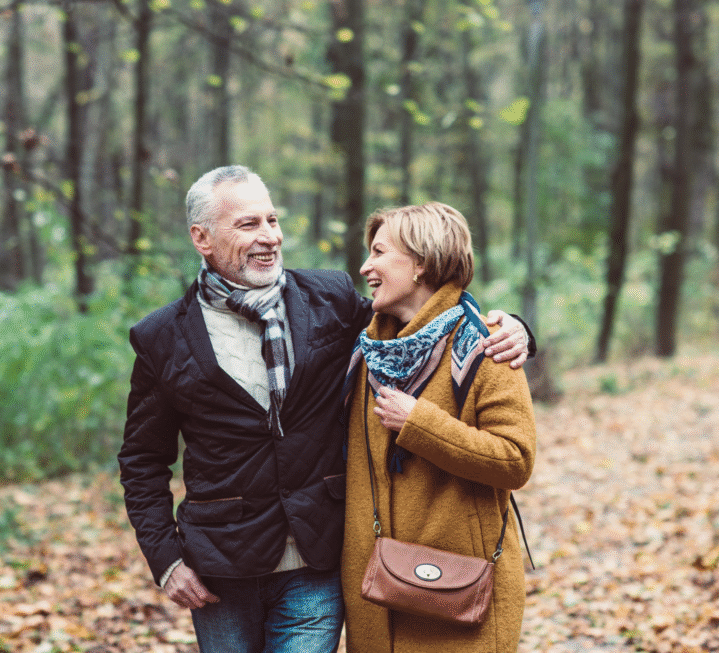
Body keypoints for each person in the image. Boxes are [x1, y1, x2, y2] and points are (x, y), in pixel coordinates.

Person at [118, 166, 533, 653]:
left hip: (318, 562)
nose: (270, 237)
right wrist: (166, 558)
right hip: (220, 569)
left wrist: (514, 327)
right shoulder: (161, 336)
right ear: (202, 238)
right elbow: (143, 460)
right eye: (249, 225)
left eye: (272, 220)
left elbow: (424, 320)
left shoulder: (330, 300)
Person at [340, 202, 536, 653]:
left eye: (378, 252)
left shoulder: (485, 345)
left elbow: (516, 460)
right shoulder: (364, 349)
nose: (365, 266)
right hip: (373, 601)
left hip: (457, 598)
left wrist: (420, 424)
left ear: (421, 263)